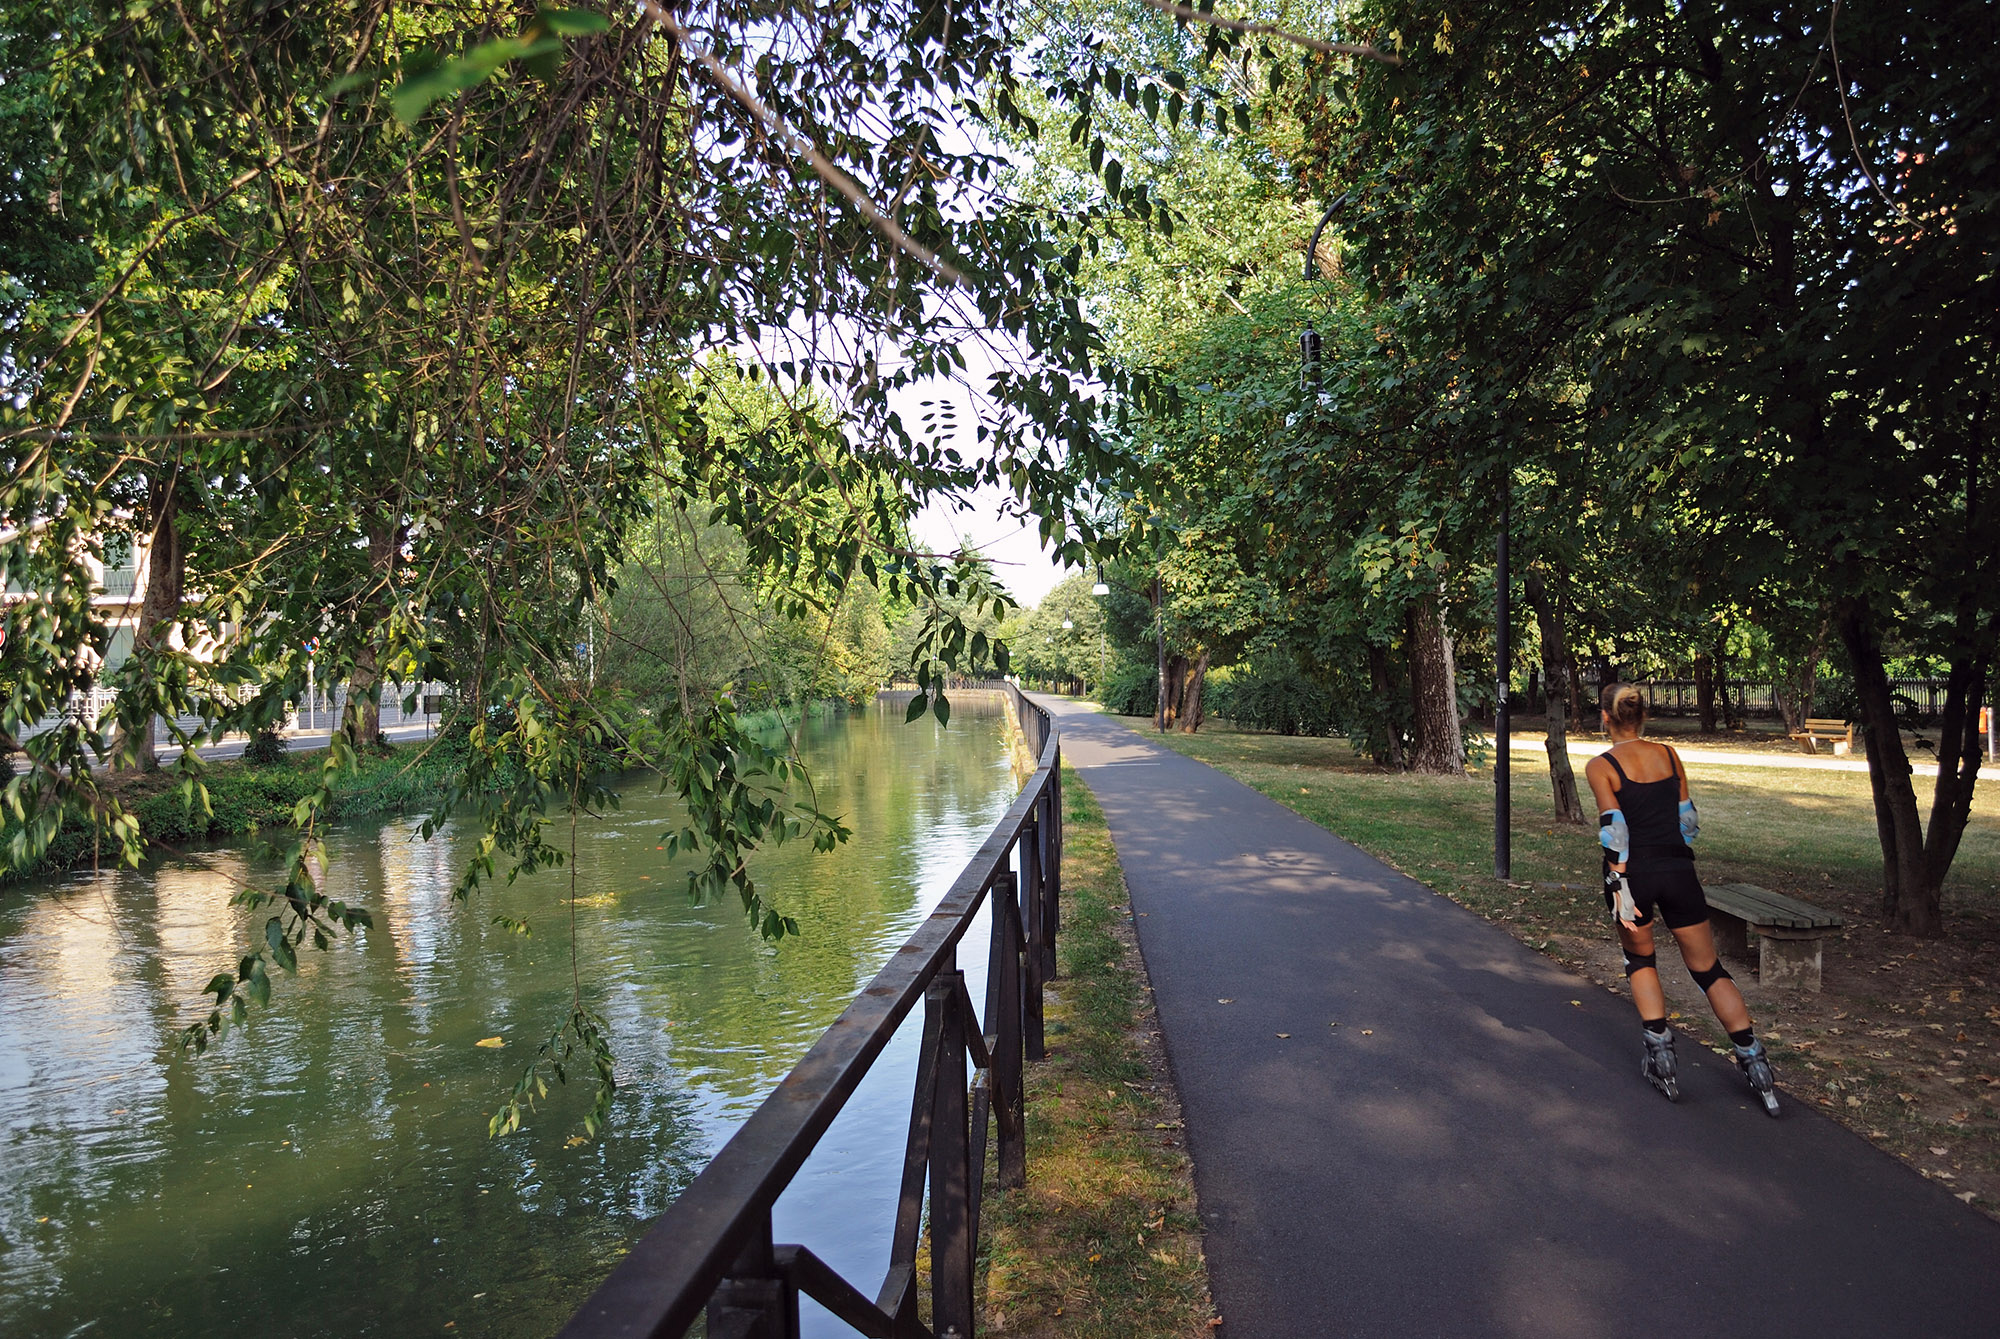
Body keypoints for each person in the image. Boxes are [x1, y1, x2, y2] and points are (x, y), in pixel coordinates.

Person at [1584, 683, 1779, 1116]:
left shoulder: (1601, 766)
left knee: (1640, 960)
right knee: (1708, 969)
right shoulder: (1670, 756)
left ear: (1606, 717)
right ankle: (1754, 1061)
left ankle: (1662, 1057)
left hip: (1634, 875)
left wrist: (1618, 884)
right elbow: (1688, 822)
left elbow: (1615, 830)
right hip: (1678, 870)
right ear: (1642, 715)